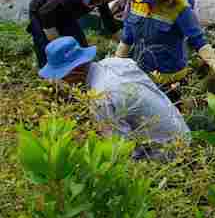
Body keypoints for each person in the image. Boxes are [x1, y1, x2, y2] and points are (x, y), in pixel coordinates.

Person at [39, 36, 190, 159]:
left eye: (62, 76)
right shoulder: (115, 63)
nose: (62, 81)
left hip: (168, 152)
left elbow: (120, 150)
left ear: (73, 71)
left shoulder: (101, 97)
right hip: (181, 132)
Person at [27, 0, 124, 68]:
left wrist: (121, 40)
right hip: (41, 13)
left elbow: (107, 16)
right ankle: (47, 71)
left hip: (66, 14)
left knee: (80, 44)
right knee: (47, 46)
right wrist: (56, 40)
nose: (111, 0)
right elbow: (45, 13)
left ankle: (81, 68)